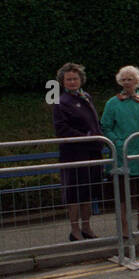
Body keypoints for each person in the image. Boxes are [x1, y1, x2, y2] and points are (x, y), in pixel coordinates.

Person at [52, 62, 105, 241]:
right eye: (68, 79)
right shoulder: (60, 101)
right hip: (74, 152)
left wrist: (97, 135)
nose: (72, 82)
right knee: (74, 193)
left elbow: (94, 122)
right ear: (62, 81)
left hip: (92, 151)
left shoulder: (86, 96)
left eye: (75, 79)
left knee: (88, 191)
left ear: (81, 80)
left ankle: (87, 227)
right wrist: (85, 136)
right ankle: (74, 230)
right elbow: (61, 128)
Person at [101, 65, 139, 237]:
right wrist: (117, 142)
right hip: (122, 154)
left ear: (137, 81)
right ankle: (124, 226)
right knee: (123, 194)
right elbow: (106, 126)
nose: (126, 82)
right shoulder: (112, 103)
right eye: (123, 79)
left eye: (130, 79)